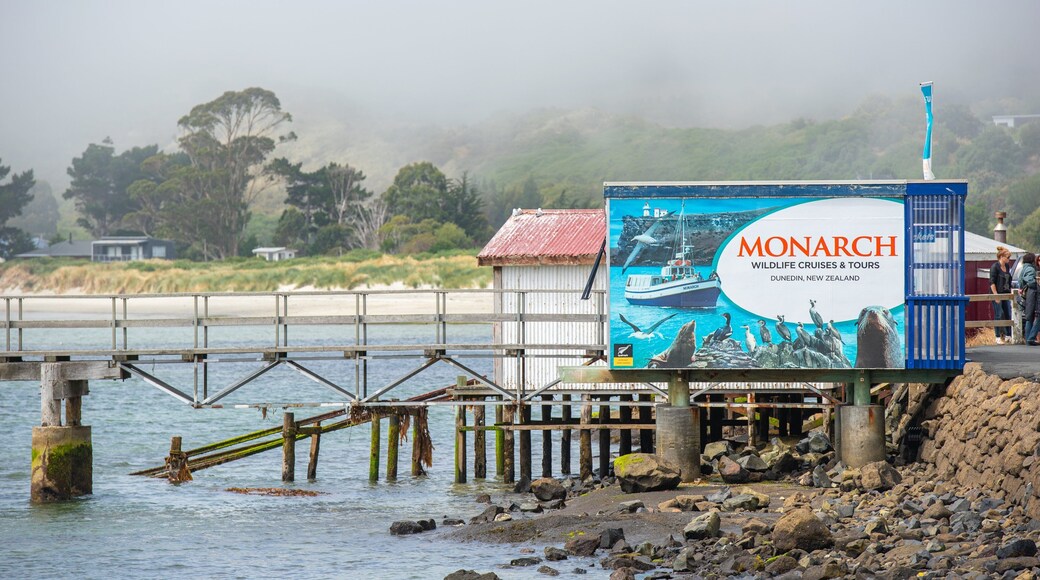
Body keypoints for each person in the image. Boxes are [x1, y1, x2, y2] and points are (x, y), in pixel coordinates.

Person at [990, 246, 1013, 343]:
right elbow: (992, 282)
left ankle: (1008, 335)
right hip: (997, 293)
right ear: (1001, 257)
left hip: (1006, 293)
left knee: (1008, 313)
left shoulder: (1007, 266)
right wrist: (996, 295)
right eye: (1007, 257)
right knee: (998, 314)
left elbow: (1008, 279)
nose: (1009, 259)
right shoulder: (995, 267)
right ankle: (998, 336)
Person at [1021, 252, 1038, 344]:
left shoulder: (1024, 268)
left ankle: (1028, 339)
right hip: (1031, 295)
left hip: (1028, 295)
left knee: (1029, 317)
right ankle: (1029, 339)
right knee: (1030, 317)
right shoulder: (1030, 269)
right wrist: (1037, 284)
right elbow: (1030, 282)